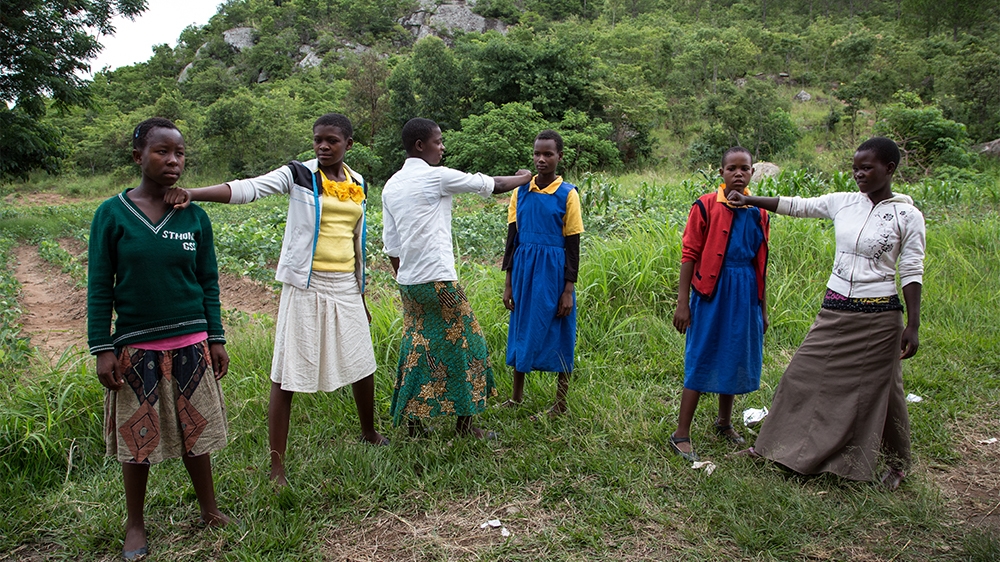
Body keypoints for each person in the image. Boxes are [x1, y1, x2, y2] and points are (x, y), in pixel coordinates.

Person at [165, 113, 386, 487]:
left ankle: (368, 432)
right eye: (318, 140)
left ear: (349, 144)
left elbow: (355, 240)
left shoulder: (359, 183)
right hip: (306, 284)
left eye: (332, 140)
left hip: (346, 284)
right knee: (287, 373)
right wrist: (195, 193)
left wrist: (361, 292)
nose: (323, 146)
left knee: (362, 360)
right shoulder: (299, 174)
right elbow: (248, 189)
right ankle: (277, 467)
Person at [727, 137, 925, 490]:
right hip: (835, 309)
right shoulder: (843, 203)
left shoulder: (907, 216)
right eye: (855, 168)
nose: (859, 174)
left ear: (890, 169)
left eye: (867, 168)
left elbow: (911, 270)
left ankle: (896, 464)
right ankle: (769, 447)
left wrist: (912, 324)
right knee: (799, 376)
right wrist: (749, 200)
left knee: (883, 391)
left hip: (879, 317)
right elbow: (796, 205)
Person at [88, 117, 231, 560]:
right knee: (138, 440)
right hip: (136, 346)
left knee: (196, 431)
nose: (173, 161)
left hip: (190, 341)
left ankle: (209, 509)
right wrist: (103, 348)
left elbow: (208, 281)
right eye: (162, 152)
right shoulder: (112, 215)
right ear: (138, 157)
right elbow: (99, 285)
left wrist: (216, 337)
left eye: (180, 153)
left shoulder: (193, 216)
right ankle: (135, 524)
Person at [381, 117, 532, 439]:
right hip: (439, 281)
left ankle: (415, 423)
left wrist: (407, 279)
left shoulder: (391, 184)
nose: (442, 147)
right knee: (468, 343)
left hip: (409, 283)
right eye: (438, 142)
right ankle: (466, 426)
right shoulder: (435, 177)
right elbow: (494, 185)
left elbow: (391, 246)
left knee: (418, 348)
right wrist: (524, 176)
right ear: (420, 146)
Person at [668, 146, 770, 462]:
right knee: (702, 353)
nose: (738, 174)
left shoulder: (759, 211)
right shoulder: (705, 206)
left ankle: (724, 422)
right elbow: (689, 255)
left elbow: (761, 262)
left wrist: (762, 308)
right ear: (722, 173)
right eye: (732, 169)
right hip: (711, 291)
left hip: (745, 291)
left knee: (735, 352)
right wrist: (683, 302)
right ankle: (680, 433)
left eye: (745, 168)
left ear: (752, 173)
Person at [500, 130, 584, 420]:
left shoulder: (567, 194)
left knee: (559, 331)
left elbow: (573, 245)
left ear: (560, 157)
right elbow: (512, 239)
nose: (541, 159)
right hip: (524, 269)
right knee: (522, 328)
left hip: (553, 272)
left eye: (548, 154)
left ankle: (560, 403)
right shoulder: (520, 191)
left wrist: (568, 289)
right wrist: (508, 283)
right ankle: (516, 396)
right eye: (537, 153)